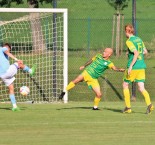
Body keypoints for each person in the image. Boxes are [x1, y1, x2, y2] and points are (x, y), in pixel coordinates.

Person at [59, 48, 125, 110]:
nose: (103, 52)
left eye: (105, 52)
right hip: (87, 72)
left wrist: (120, 69)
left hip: (93, 79)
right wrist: (84, 66)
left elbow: (114, 68)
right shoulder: (98, 56)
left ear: (109, 54)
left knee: (99, 94)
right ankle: (64, 91)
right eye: (104, 51)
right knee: (76, 80)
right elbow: (91, 60)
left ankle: (95, 107)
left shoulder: (109, 63)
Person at [122, 24, 154, 114]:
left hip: (134, 67)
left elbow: (136, 53)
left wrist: (131, 65)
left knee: (125, 85)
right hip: (141, 66)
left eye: (125, 31)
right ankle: (149, 105)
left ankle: (128, 107)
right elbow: (145, 52)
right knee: (141, 88)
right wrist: (133, 54)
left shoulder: (129, 41)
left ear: (127, 31)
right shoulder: (139, 39)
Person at [0, 43, 36, 112]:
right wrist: (17, 59)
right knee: (18, 64)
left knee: (11, 88)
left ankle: (14, 107)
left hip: (2, 75)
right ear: (7, 47)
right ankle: (30, 71)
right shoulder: (3, 48)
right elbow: (7, 52)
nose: (9, 50)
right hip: (6, 71)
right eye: (9, 49)